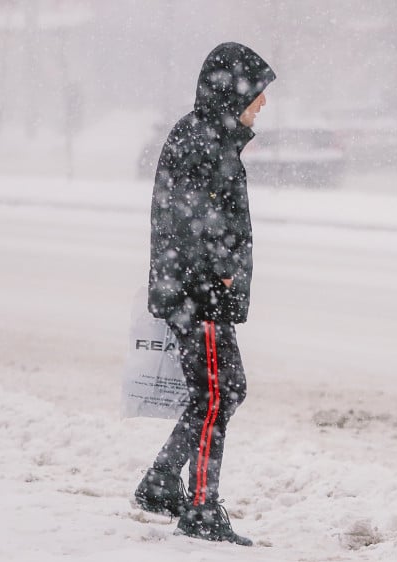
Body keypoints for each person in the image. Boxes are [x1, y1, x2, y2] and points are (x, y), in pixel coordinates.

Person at [133, 42, 275, 546]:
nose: (262, 105)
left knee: (219, 391)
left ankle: (160, 481)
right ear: (229, 90)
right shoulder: (205, 141)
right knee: (218, 393)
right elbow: (191, 221)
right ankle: (200, 507)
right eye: (257, 94)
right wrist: (220, 275)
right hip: (200, 294)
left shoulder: (208, 136)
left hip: (196, 291)